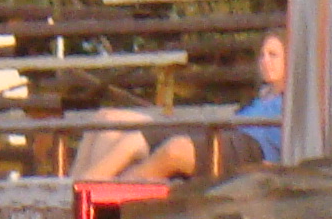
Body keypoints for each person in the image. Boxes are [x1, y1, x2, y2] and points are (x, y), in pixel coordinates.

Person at [74, 31, 287, 185]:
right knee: (106, 119)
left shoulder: (290, 101)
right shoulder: (257, 98)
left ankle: (86, 195)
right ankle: (68, 189)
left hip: (244, 150)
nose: (265, 61)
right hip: (219, 137)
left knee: (142, 144)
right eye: (262, 55)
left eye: (273, 55)